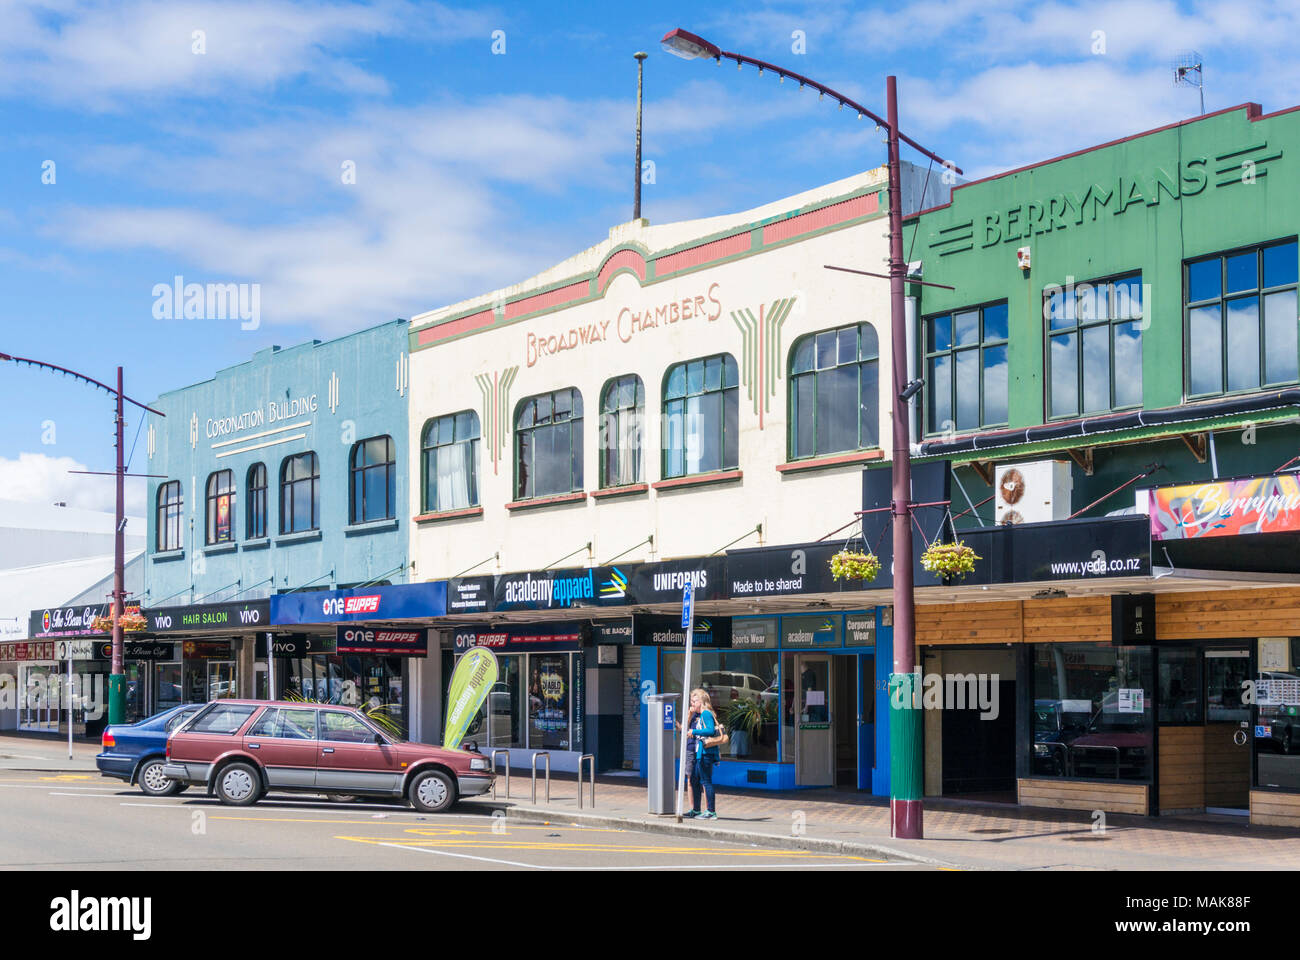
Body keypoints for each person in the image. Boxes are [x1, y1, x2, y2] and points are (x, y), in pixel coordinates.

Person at [686, 688, 720, 820]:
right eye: (691, 701)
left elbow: (710, 730)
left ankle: (711, 811)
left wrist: (694, 732)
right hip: (700, 753)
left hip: (706, 753)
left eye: (694, 701)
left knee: (706, 781)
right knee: (694, 779)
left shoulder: (706, 714)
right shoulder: (700, 715)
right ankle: (696, 810)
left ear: (701, 702)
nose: (692, 704)